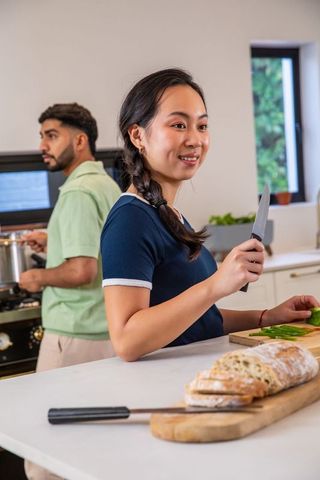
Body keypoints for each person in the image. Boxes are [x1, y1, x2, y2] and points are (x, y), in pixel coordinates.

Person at [100, 68, 319, 362]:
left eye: (202, 126)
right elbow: (126, 340)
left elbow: (198, 322)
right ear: (138, 135)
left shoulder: (169, 214)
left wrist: (268, 316)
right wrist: (216, 285)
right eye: (178, 125)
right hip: (164, 388)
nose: (195, 139)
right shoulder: (130, 219)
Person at [19, 103, 121, 479]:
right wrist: (55, 240)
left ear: (80, 141)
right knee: (93, 447)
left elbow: (82, 270)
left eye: (51, 135)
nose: (43, 145)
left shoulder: (78, 192)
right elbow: (98, 250)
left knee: (45, 456)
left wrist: (38, 278)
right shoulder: (105, 183)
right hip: (105, 332)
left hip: (75, 337)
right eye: (42, 136)